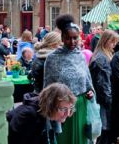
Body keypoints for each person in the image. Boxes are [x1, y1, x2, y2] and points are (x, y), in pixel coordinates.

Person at [44, 14, 94, 144]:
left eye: (75, 38)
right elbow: (47, 89)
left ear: (79, 37)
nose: (72, 42)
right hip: (62, 110)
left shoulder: (81, 56)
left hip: (81, 107)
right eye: (68, 38)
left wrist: (91, 92)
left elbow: (88, 82)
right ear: (62, 38)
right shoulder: (52, 58)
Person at [7, 83, 77, 144]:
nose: (67, 114)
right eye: (63, 109)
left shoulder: (52, 114)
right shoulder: (28, 116)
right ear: (50, 105)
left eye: (70, 108)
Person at [89, 30, 119, 144]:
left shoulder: (102, 55)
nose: (114, 45)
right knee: (103, 134)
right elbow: (103, 86)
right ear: (106, 41)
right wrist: (111, 103)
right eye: (112, 42)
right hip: (102, 104)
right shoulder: (101, 58)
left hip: (101, 101)